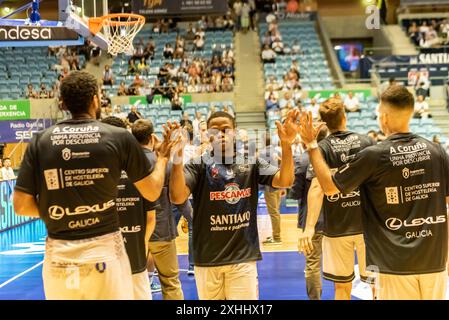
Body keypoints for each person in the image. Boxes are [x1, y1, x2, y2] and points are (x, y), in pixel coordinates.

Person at [13, 71, 178, 300]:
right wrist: (161, 159)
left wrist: (62, 212)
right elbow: (151, 191)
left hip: (59, 254)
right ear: (95, 100)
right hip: (105, 251)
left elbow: (21, 206)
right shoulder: (119, 136)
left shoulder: (40, 140)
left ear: (62, 103)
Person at [298, 85, 449, 300]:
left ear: (384, 118)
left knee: (343, 287)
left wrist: (312, 145)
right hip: (434, 260)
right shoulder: (437, 151)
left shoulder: (374, 155)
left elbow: (326, 187)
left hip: (393, 260)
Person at [169, 110, 298, 300]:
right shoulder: (197, 165)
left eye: (225, 129)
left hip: (243, 259)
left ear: (235, 132)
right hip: (207, 260)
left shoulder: (251, 162)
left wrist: (287, 146)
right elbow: (177, 197)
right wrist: (177, 157)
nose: (220, 134)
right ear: (207, 135)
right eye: (215, 130)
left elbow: (285, 180)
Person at [298, 98, 375, 300]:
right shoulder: (367, 142)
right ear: (344, 116)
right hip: (368, 226)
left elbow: (316, 187)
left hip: (336, 229)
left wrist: (309, 228)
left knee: (342, 288)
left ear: (323, 123)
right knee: (378, 286)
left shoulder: (321, 148)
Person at [101, 116, 157, 300]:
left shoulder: (138, 165)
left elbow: (150, 217)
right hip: (103, 263)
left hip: (136, 260)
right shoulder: (93, 170)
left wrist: (143, 243)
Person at [132, 119, 185, 300]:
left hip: (135, 233)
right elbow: (178, 197)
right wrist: (192, 218)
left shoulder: (126, 164)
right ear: (152, 137)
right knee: (170, 282)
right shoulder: (164, 163)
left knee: (136, 283)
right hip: (162, 231)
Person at [291, 128, 328, 300]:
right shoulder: (332, 155)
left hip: (312, 219)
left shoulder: (303, 158)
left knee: (312, 263)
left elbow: (296, 192)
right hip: (336, 218)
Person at [260, 133, 284, 245]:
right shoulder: (277, 151)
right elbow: (282, 167)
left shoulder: (263, 153)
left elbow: (260, 171)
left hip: (269, 186)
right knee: (276, 211)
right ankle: (276, 234)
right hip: (278, 185)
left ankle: (277, 237)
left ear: (264, 141)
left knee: (273, 212)